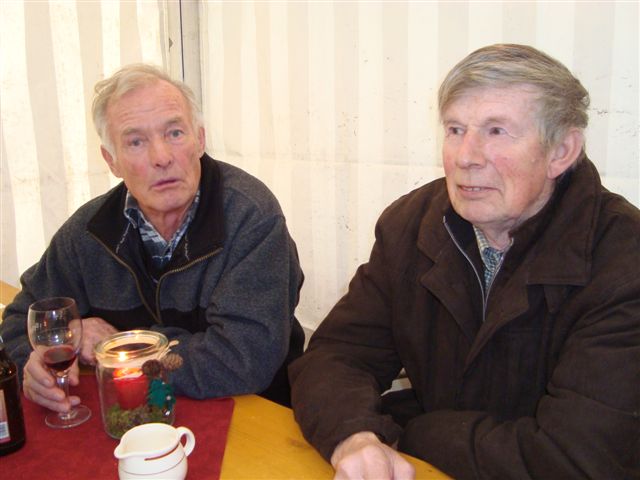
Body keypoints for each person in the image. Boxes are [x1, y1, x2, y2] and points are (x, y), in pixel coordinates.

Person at [289, 44, 640, 479]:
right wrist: (354, 436)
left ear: (561, 151)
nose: (465, 156)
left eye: (497, 131)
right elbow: (337, 355)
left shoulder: (623, 258)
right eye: (455, 129)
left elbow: (576, 460)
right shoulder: (411, 224)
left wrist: (414, 432)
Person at [0, 64, 304, 411]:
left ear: (200, 139)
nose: (162, 157)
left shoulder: (250, 216)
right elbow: (23, 319)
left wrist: (119, 349)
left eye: (174, 133)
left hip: (249, 414)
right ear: (111, 161)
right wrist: (38, 358)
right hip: (133, 410)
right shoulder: (89, 232)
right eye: (136, 142)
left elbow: (243, 359)